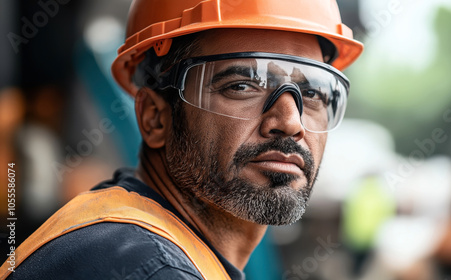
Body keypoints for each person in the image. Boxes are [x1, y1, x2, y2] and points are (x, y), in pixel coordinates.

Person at [1, 0, 363, 279]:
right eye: (242, 85)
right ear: (155, 117)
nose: (290, 122)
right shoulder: (148, 266)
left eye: (313, 93)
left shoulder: (134, 242)